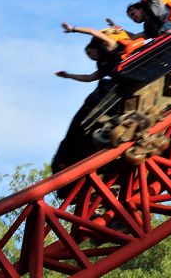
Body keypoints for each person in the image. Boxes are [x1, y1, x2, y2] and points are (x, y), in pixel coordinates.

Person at [51, 24, 123, 174]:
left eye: (91, 53)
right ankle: (64, 162)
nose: (91, 57)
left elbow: (92, 31)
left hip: (123, 82)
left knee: (100, 96)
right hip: (110, 87)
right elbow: (89, 78)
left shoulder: (110, 46)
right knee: (78, 121)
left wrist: (73, 29)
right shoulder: (102, 64)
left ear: (96, 47)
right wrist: (68, 75)